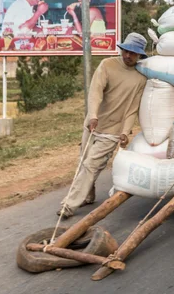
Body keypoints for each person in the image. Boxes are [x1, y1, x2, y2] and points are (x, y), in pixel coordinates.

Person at [57, 33, 148, 219]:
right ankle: (87, 195)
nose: (128, 56)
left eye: (133, 53)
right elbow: (95, 91)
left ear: (140, 56)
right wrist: (93, 116)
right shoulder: (107, 65)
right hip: (93, 124)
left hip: (112, 131)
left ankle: (69, 204)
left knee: (91, 165)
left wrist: (124, 132)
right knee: (84, 161)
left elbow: (133, 108)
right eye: (126, 51)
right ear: (122, 49)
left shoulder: (140, 79)